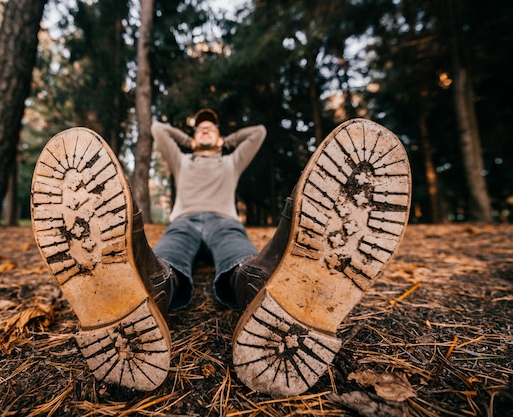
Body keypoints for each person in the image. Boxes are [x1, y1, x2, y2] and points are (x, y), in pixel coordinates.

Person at [30, 111, 411, 397]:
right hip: (183, 221)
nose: (206, 131)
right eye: (200, 130)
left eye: (211, 128)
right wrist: (193, 137)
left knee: (238, 256)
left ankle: (265, 287)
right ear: (192, 138)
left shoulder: (231, 161)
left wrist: (223, 141)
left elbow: (258, 133)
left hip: (223, 220)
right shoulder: (182, 160)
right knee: (168, 258)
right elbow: (160, 131)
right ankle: (143, 287)